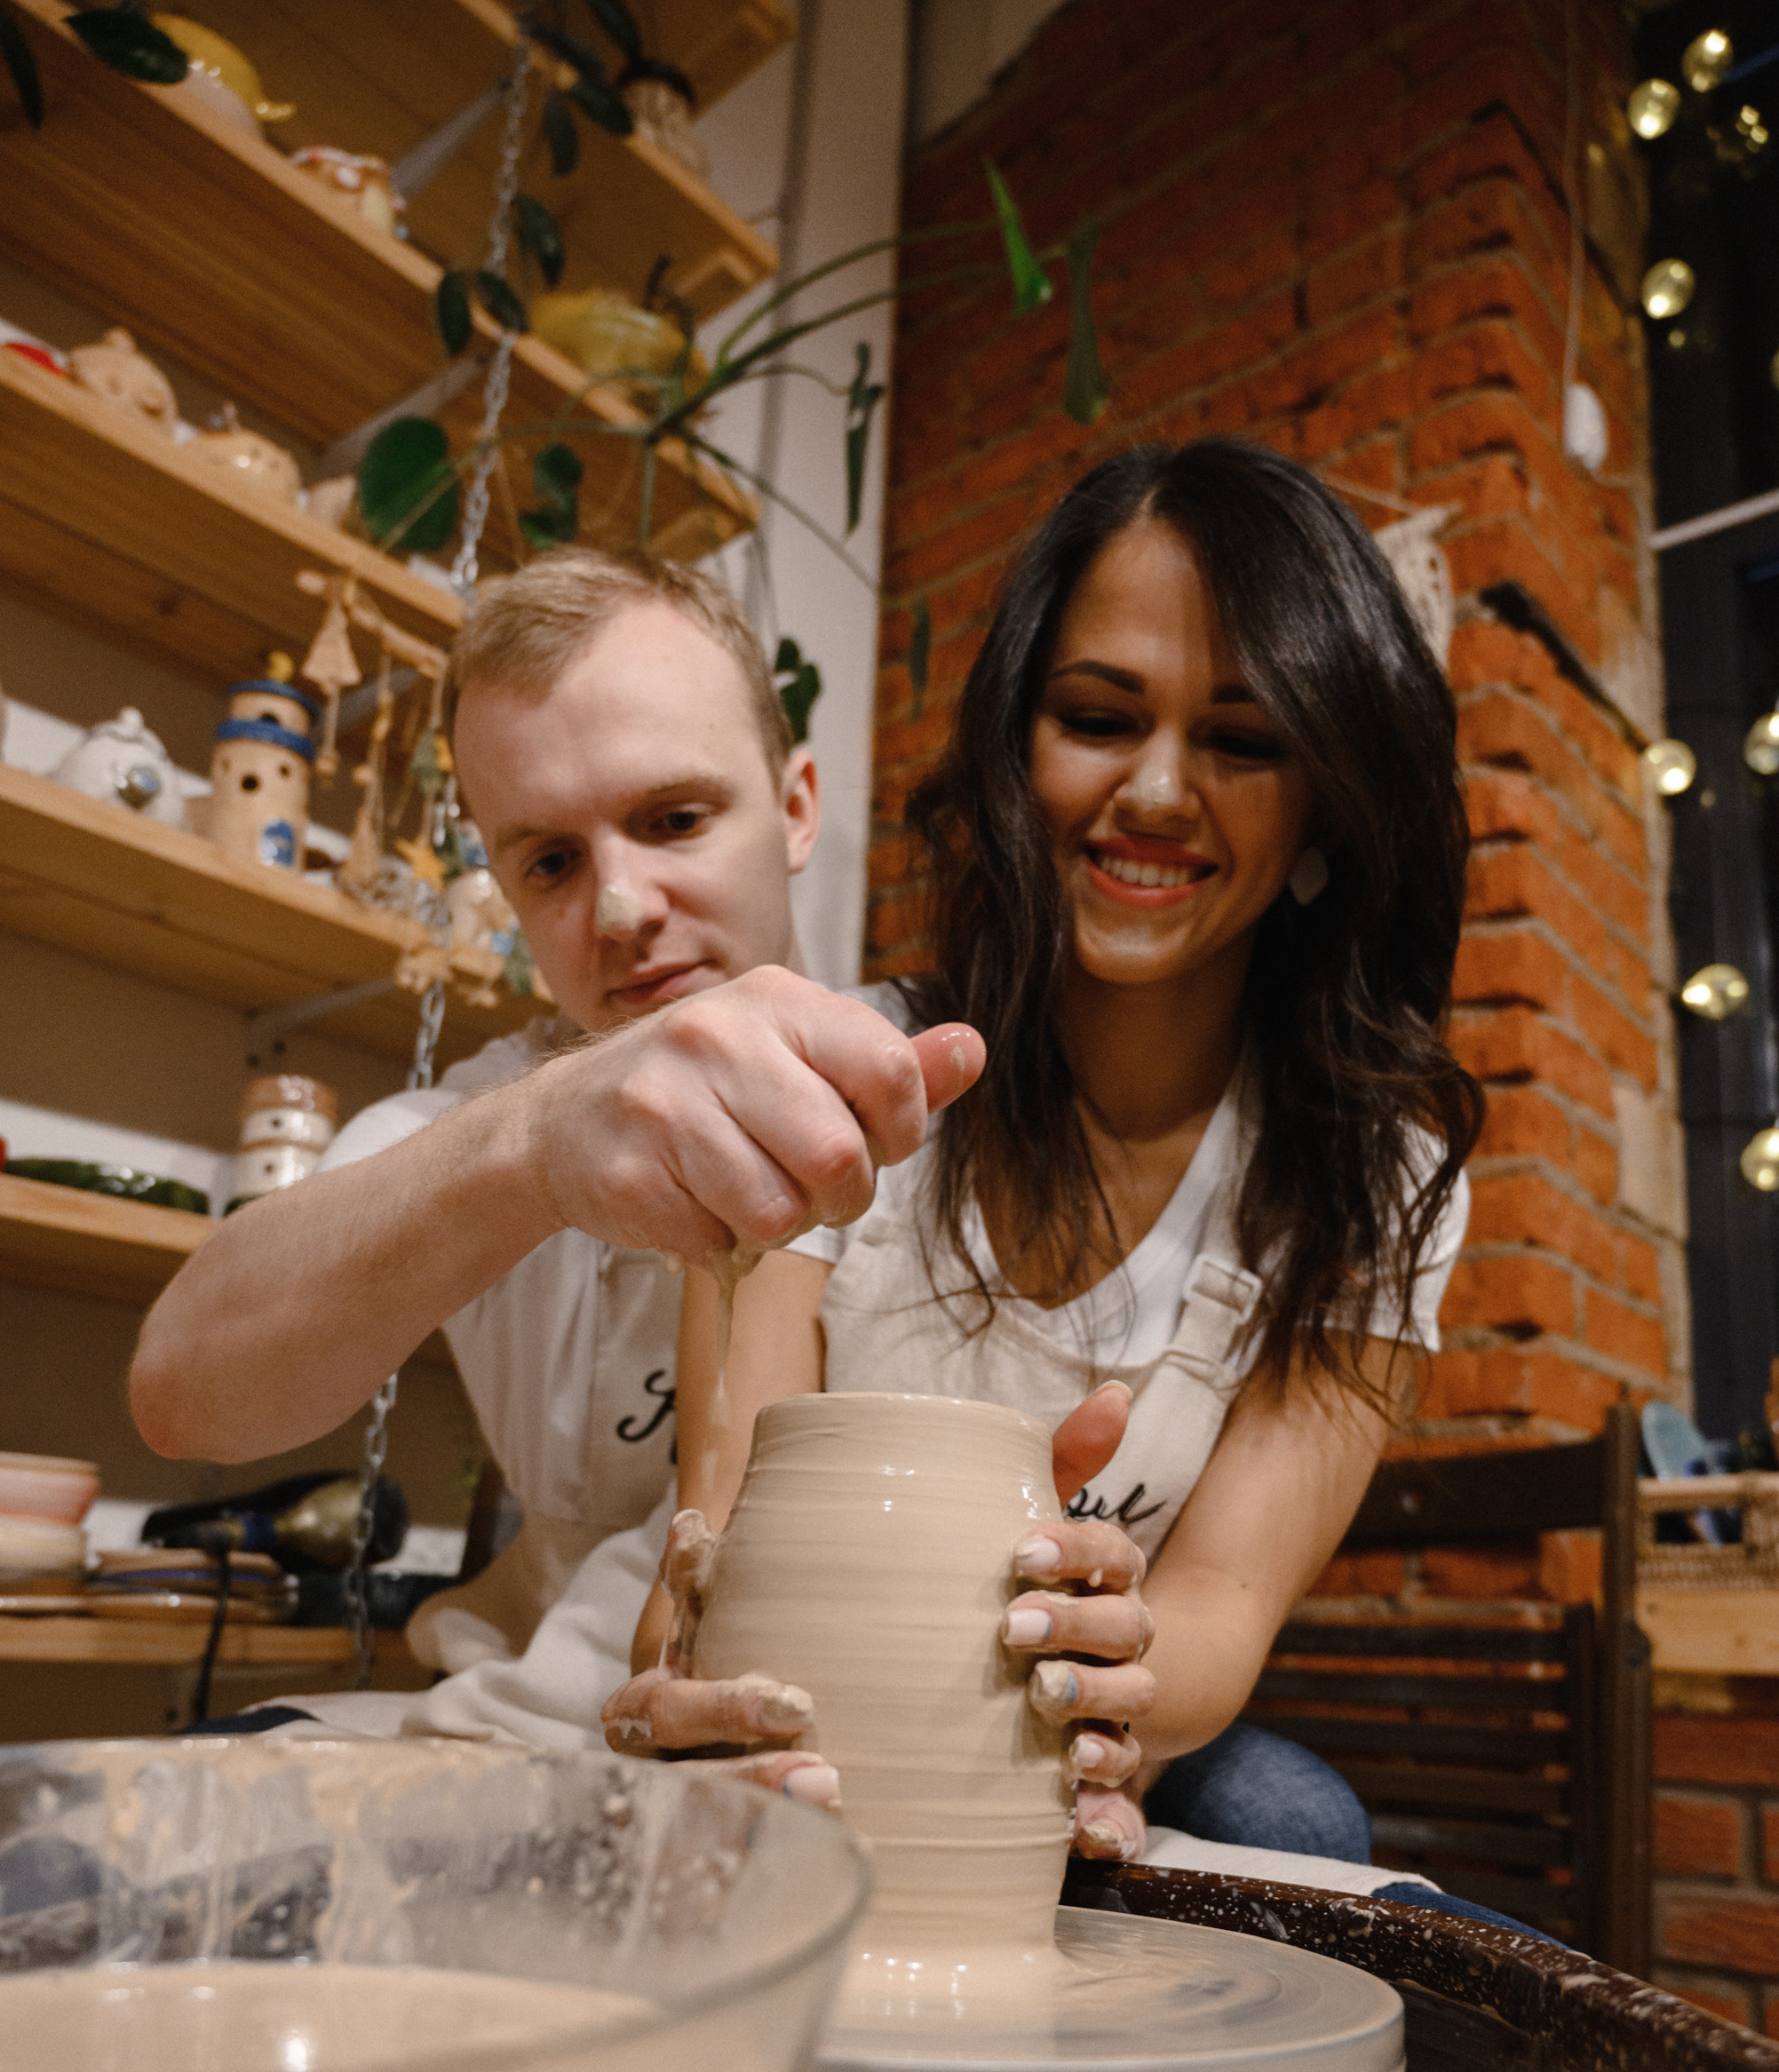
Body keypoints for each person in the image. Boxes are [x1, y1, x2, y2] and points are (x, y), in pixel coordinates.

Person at [608, 438, 1484, 1878]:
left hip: (1097, 1720)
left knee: (1296, 1818)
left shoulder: (1374, 1182)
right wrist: (700, 1691)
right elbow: (710, 1543)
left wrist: (1100, 1662)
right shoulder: (831, 1080)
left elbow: (1218, 1612)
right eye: (1098, 718)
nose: (1158, 791)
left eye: (1243, 742)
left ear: (1325, 811)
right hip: (815, 1686)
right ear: (1018, 747)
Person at [129, 549, 983, 1742]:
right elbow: (183, 1394)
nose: (623, 909)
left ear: (796, 808)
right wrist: (533, 1146)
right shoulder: (490, 1119)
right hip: (524, 1729)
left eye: (674, 820)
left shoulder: (957, 1091)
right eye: (551, 862)